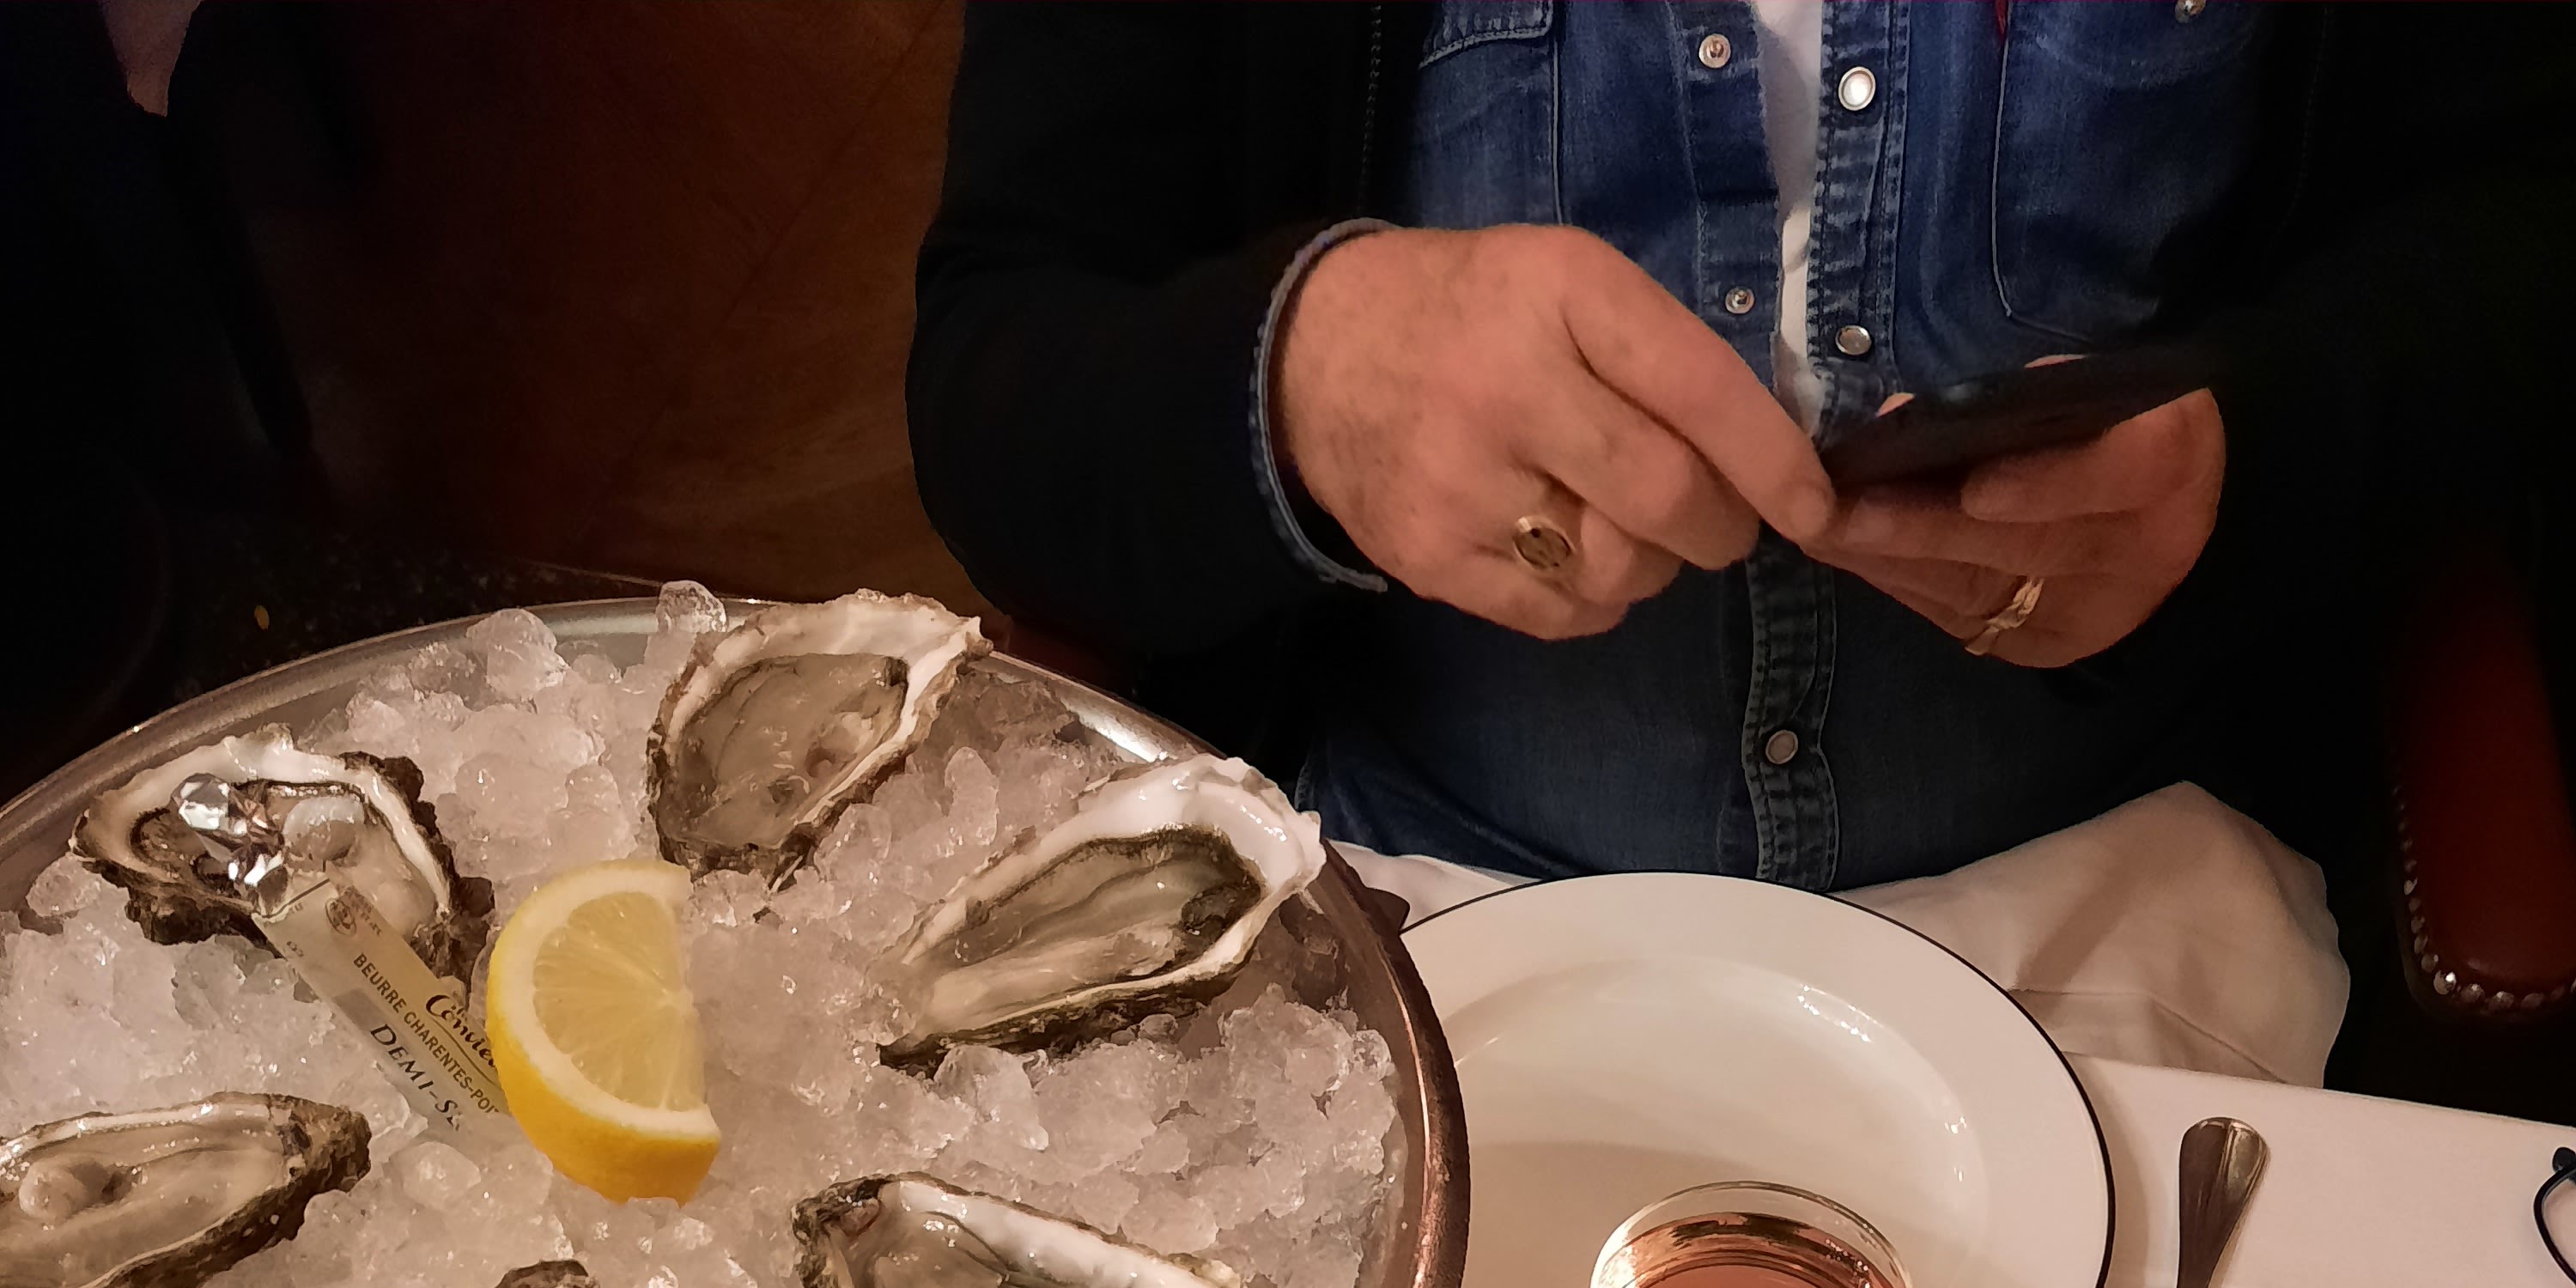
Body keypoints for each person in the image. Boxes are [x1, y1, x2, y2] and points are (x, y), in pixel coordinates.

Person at [908, 3, 2575, 919]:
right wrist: (1305, 384)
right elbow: (998, 387)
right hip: (1420, 916)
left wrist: (2250, 452)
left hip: (2132, 910)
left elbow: (2519, 222)